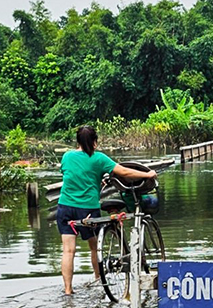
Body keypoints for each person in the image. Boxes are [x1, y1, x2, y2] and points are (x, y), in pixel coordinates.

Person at [56, 125, 156, 295]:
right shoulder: (99, 158)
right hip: (87, 210)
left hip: (65, 208)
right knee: (94, 247)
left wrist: (95, 181)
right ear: (94, 142)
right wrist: (148, 175)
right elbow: (123, 172)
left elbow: (76, 175)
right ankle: (98, 278)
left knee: (68, 251)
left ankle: (68, 290)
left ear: (77, 142)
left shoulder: (67, 156)